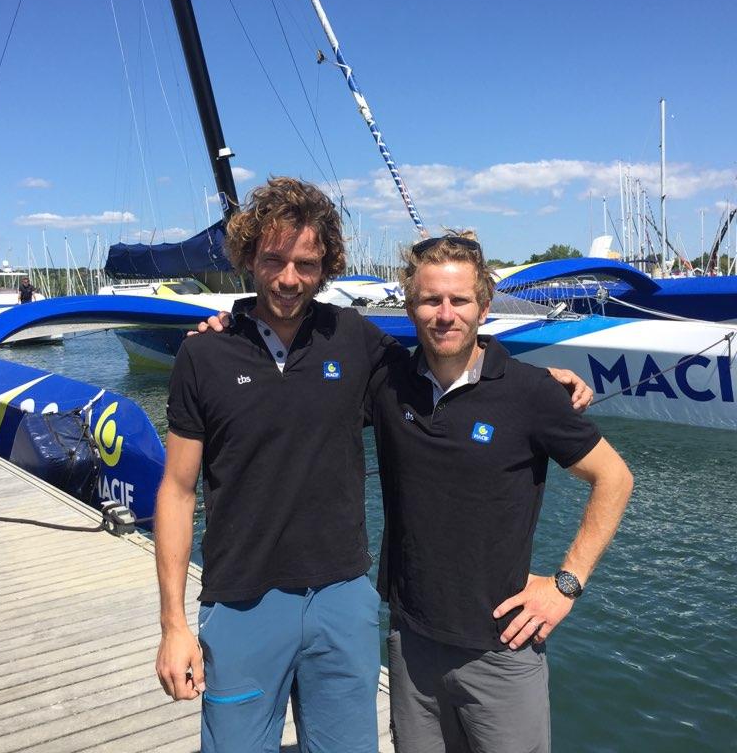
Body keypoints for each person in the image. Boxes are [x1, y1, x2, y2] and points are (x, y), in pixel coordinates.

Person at [155, 176, 593, 753]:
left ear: (326, 265)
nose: (289, 278)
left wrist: (538, 383)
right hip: (241, 602)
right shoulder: (203, 353)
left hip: (343, 596)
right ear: (248, 258)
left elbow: (444, 362)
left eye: (306, 263)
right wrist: (173, 625)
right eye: (273, 260)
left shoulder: (352, 337)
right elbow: (178, 491)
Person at [367, 233, 633, 753]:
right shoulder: (388, 382)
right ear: (410, 306)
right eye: (430, 300)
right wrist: (226, 327)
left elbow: (614, 478)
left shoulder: (530, 392)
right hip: (410, 640)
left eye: (459, 300)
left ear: (484, 307)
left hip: (502, 648)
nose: (445, 314)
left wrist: (566, 585)